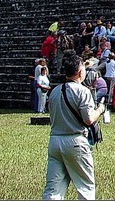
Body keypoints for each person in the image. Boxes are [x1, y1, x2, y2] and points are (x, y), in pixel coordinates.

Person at [42, 50, 106, 200]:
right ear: (79, 72)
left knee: (53, 189)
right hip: (76, 140)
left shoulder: (55, 91)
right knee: (85, 187)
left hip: (55, 140)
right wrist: (100, 109)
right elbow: (89, 119)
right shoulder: (82, 91)